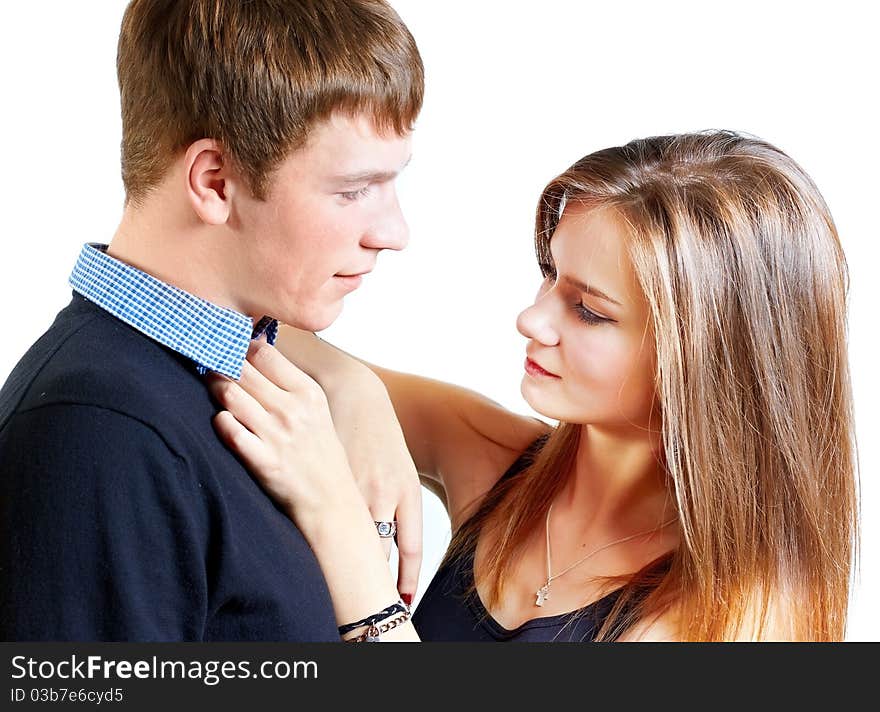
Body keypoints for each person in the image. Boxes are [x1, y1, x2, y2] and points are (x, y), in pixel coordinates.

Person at [210, 130, 859, 641]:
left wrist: (338, 529)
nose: (531, 319)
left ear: (704, 361)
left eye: (589, 310)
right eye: (550, 274)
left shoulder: (728, 620)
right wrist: (353, 388)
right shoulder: (501, 469)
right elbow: (224, 314)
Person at [0, 0, 424, 641]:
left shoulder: (253, 395)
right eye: (353, 190)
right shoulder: (97, 435)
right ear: (216, 181)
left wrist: (353, 384)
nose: (394, 233)